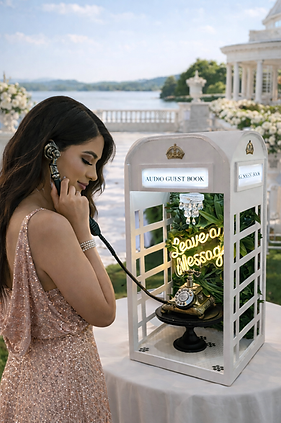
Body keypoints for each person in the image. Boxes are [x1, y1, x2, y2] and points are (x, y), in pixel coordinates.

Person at [0, 96, 116, 422]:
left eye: (97, 165)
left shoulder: (13, 213)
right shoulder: (49, 226)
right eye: (87, 159)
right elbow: (104, 311)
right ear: (50, 152)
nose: (93, 175)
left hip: (24, 384)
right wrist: (83, 233)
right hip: (61, 392)